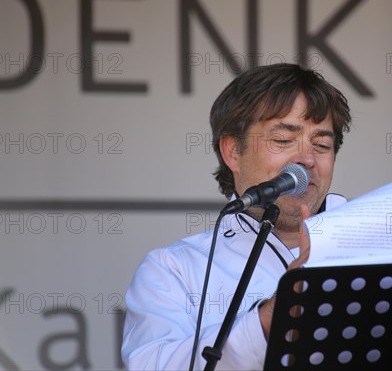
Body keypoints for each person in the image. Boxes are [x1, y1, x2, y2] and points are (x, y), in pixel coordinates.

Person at [121, 63, 352, 370]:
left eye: (322, 144)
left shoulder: (378, 250)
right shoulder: (173, 270)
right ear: (232, 151)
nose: (307, 160)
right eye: (283, 140)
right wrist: (274, 314)